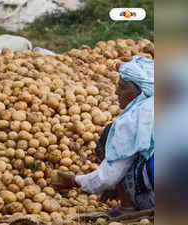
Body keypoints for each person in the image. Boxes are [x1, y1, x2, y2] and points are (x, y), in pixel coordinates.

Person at [53, 56, 154, 217]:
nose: (116, 92)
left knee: (110, 137)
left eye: (122, 87)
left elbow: (108, 177)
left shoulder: (135, 118)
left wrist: (73, 181)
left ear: (138, 91)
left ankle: (128, 207)